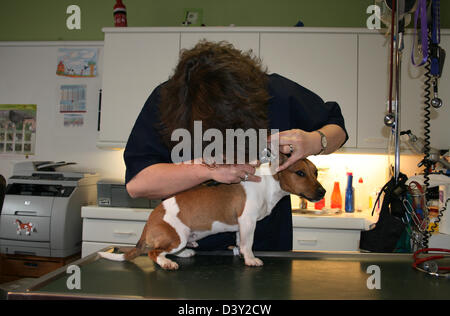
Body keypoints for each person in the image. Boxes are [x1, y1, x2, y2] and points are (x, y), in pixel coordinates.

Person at [124, 40, 348, 251]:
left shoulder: (276, 92)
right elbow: (138, 184)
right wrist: (208, 169)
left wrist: (316, 141)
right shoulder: (168, 99)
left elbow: (337, 128)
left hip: (265, 253)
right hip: (184, 249)